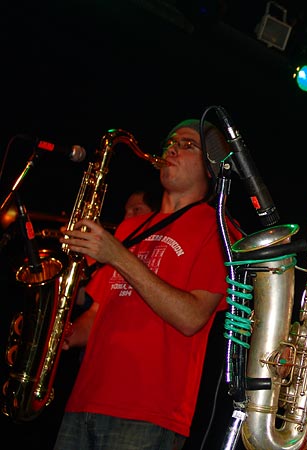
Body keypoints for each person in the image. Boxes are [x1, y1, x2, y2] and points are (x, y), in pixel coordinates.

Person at [52, 118, 238, 450]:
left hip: (149, 413)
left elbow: (191, 317)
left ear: (211, 167)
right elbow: (97, 313)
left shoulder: (218, 229)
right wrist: (59, 336)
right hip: (83, 401)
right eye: (170, 143)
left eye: (187, 145)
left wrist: (117, 255)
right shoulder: (131, 228)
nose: (172, 150)